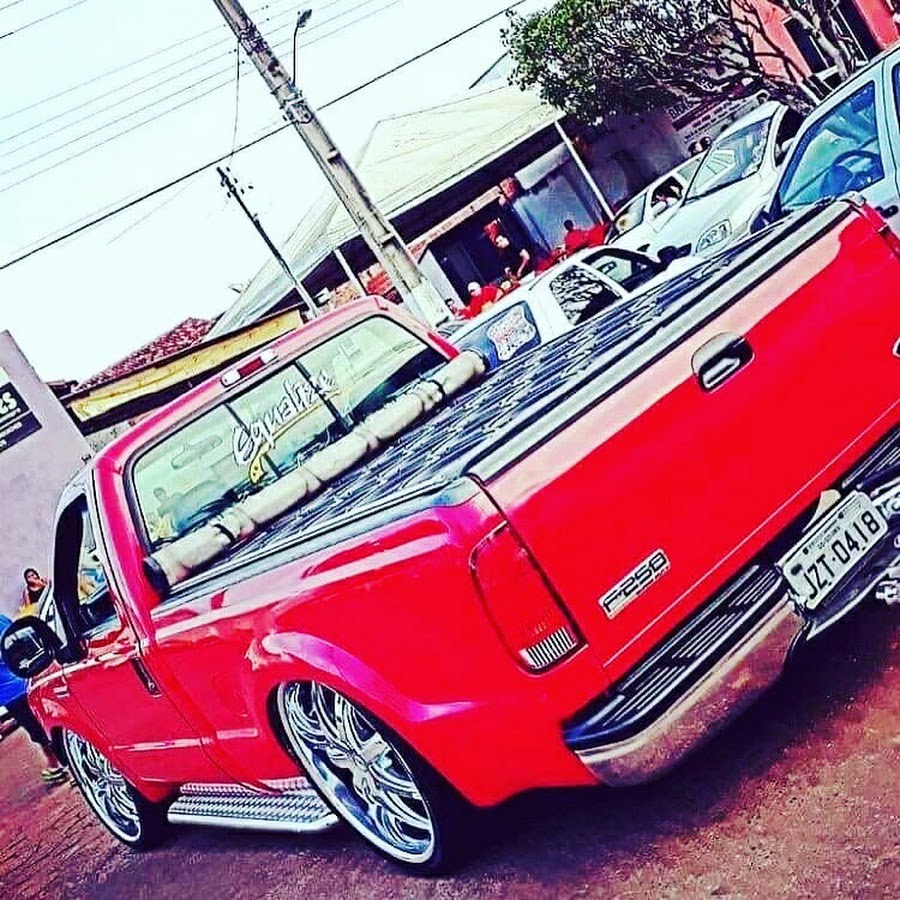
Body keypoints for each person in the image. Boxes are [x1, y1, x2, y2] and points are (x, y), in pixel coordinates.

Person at [0, 614, 67, 783]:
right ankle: (60, 764)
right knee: (50, 722)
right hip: (28, 677)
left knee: (41, 730)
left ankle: (65, 765)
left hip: (13, 691)